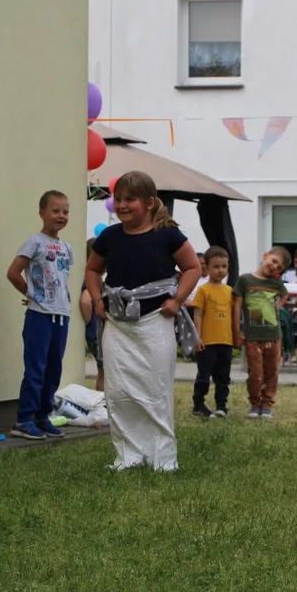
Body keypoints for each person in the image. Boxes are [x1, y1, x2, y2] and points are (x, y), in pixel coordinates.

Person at [85, 171, 201, 471]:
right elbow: (93, 270)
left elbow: (191, 268)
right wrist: (98, 300)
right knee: (119, 390)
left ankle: (163, 457)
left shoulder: (168, 235)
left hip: (154, 322)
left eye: (130, 200)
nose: (122, 205)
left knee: (156, 388)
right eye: (118, 199)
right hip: (118, 323)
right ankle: (129, 455)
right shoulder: (109, 237)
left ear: (150, 203)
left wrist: (177, 301)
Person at [6, 190, 75, 440]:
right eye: (55, 211)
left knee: (53, 369)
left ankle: (42, 416)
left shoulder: (67, 248)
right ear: (42, 213)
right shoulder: (34, 242)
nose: (61, 216)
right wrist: (30, 292)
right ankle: (24, 419)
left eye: (65, 211)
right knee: (36, 368)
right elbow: (13, 272)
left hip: (61, 316)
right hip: (39, 316)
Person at [232, 246, 290, 420]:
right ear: (265, 256)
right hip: (252, 337)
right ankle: (255, 403)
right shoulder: (245, 280)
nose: (274, 267)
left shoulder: (276, 284)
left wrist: (277, 308)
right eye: (273, 261)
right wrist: (236, 331)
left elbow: (285, 295)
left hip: (274, 335)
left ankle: (266, 404)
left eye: (279, 267)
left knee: (272, 371)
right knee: (255, 372)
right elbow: (237, 307)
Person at [190, 246, 234, 419]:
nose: (220, 270)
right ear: (207, 268)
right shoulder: (203, 290)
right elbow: (198, 314)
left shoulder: (230, 291)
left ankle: (221, 406)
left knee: (223, 377)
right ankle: (198, 405)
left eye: (224, 266)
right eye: (216, 266)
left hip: (225, 341)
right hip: (208, 342)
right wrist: (197, 337)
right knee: (204, 376)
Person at [80, 238, 105, 392]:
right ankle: (103, 401)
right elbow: (85, 300)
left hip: (95, 332)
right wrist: (89, 321)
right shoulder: (91, 278)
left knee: (103, 370)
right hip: (96, 332)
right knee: (104, 370)